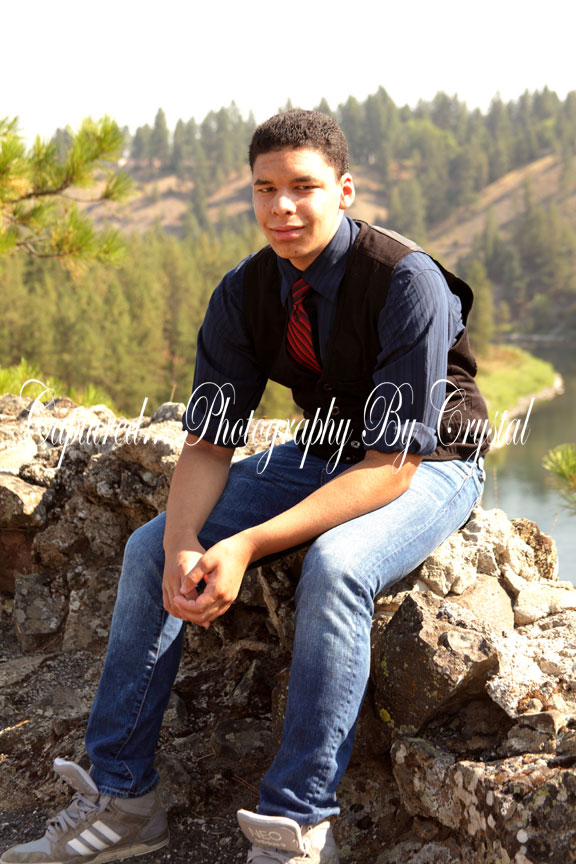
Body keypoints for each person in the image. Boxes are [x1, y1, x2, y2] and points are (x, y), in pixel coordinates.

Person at [1, 110, 489, 864]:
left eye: (304, 187)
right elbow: (208, 442)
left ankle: (299, 826)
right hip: (324, 448)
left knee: (338, 565)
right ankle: (123, 800)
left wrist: (247, 545)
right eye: (265, 189)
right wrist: (183, 542)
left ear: (345, 191)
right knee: (148, 548)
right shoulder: (245, 291)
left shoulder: (406, 280)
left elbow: (393, 462)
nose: (282, 206)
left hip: (430, 462)